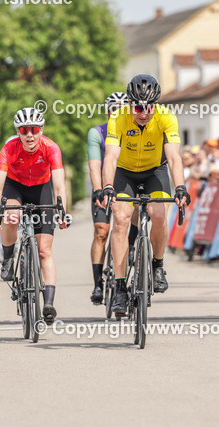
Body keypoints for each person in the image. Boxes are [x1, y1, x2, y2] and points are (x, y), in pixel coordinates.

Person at [99, 74, 189, 316]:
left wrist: (180, 187)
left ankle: (158, 265)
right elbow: (110, 157)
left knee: (158, 214)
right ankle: (120, 287)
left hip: (154, 171)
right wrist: (107, 185)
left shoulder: (166, 116)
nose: (143, 113)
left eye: (149, 107)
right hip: (124, 172)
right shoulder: (118, 118)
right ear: (130, 104)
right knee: (120, 219)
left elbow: (173, 157)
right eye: (138, 107)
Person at [0, 107, 69, 324]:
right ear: (18, 132)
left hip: (41, 189)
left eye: (34, 129)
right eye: (24, 130)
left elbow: (59, 185)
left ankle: (49, 303)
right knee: (12, 216)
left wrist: (62, 212)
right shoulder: (9, 148)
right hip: (15, 187)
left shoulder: (51, 148)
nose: (30, 135)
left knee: (44, 251)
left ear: (41, 130)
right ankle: (8, 258)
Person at [86, 91, 126, 305]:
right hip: (104, 184)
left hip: (126, 185)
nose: (117, 113)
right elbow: (95, 165)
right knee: (101, 231)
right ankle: (97, 284)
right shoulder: (97, 133)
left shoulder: (133, 131)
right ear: (107, 112)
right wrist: (97, 190)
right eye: (113, 110)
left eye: (122, 109)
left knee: (127, 225)